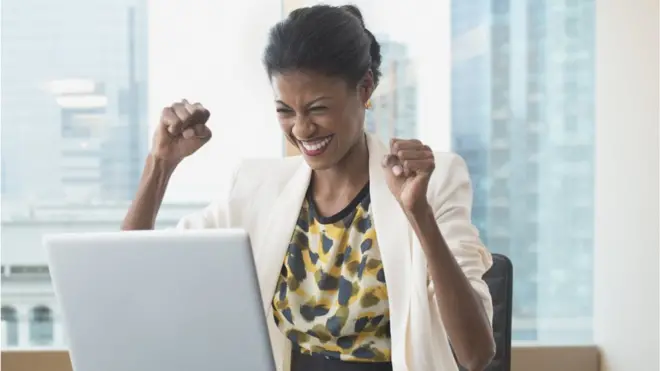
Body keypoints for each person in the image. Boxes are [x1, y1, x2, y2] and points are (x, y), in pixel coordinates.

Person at [122, 4, 495, 371]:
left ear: (365, 88)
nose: (301, 129)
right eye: (285, 111)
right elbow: (131, 276)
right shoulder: (257, 188)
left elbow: (475, 355)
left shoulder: (434, 180)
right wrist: (160, 165)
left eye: (317, 108)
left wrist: (419, 215)